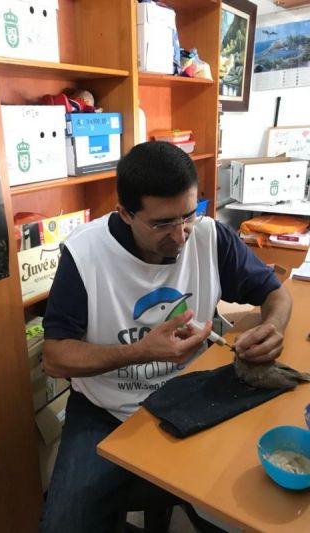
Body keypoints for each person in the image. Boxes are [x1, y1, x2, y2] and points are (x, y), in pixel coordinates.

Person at [40, 141, 292, 533]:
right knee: (65, 524)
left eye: (188, 214)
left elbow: (276, 294)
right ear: (125, 213)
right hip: (105, 410)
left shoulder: (209, 236)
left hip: (193, 392)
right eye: (162, 224)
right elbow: (55, 358)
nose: (180, 235)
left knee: (243, 509)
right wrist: (140, 351)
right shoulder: (85, 254)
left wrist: (271, 328)